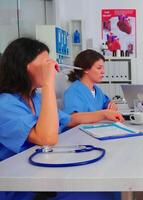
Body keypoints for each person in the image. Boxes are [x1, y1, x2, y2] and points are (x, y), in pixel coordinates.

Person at [0, 38, 121, 199]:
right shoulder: (5, 104)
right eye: (46, 62)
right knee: (100, 192)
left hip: (46, 170)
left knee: (110, 184)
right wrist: (49, 82)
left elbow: (69, 119)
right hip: (23, 186)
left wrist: (104, 114)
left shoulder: (35, 98)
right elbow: (46, 138)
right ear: (26, 66)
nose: (53, 67)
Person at [63, 49, 123, 123]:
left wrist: (112, 104)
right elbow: (71, 119)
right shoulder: (73, 91)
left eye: (103, 68)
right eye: (99, 68)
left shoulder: (97, 90)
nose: (103, 72)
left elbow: (106, 102)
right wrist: (103, 114)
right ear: (86, 69)